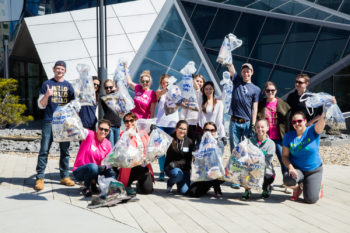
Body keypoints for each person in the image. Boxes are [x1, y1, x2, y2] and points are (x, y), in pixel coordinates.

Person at [35, 60, 75, 191]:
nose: (60, 71)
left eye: (62, 69)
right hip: (49, 121)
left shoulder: (69, 86)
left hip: (64, 123)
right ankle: (40, 178)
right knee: (44, 150)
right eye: (57, 68)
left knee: (65, 151)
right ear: (53, 69)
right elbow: (41, 105)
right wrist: (47, 95)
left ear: (65, 71)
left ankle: (64, 177)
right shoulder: (47, 84)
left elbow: (74, 104)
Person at [227, 63, 261, 189]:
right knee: (235, 151)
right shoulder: (236, 81)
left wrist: (253, 125)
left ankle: (244, 176)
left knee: (246, 151)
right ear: (241, 73)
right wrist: (228, 60)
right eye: (244, 71)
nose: (246, 73)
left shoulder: (256, 89)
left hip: (247, 123)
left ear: (252, 72)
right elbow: (230, 68)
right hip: (234, 122)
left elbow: (255, 108)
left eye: (248, 71)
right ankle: (235, 178)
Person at [282, 111, 325, 204]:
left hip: (314, 170)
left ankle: (318, 185)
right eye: (294, 122)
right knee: (288, 180)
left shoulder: (313, 130)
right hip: (298, 170)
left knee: (311, 200)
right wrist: (291, 168)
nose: (297, 124)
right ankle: (298, 188)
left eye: (299, 121)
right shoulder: (288, 136)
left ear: (305, 121)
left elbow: (321, 122)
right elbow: (284, 156)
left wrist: (327, 109)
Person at [73, 119, 116, 197]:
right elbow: (79, 129)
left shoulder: (108, 144)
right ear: (97, 128)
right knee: (93, 167)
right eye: (101, 128)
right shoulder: (90, 135)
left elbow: (110, 161)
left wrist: (105, 167)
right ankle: (86, 187)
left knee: (111, 173)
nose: (103, 131)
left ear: (109, 131)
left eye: (106, 130)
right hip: (80, 171)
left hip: (96, 170)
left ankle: (110, 191)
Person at [257, 81, 290, 178]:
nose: (270, 92)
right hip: (265, 138)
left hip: (278, 137)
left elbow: (289, 117)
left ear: (276, 91)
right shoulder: (261, 104)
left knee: (284, 159)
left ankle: (287, 180)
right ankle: (266, 180)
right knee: (264, 160)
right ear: (265, 91)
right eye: (268, 91)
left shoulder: (282, 104)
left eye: (272, 90)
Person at [118, 112, 154, 195]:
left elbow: (150, 148)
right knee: (125, 186)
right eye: (126, 121)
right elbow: (122, 150)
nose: (129, 123)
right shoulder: (123, 134)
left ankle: (140, 184)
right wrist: (128, 137)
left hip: (144, 166)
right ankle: (127, 183)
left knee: (147, 190)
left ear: (136, 121)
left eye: (131, 120)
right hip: (130, 167)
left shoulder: (143, 133)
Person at [241, 119, 276, 200]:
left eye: (262, 127)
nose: (260, 129)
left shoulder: (271, 144)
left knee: (268, 177)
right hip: (251, 167)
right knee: (241, 171)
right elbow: (244, 155)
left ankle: (266, 188)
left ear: (267, 128)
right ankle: (247, 190)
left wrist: (256, 160)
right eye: (258, 127)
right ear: (255, 129)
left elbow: (268, 160)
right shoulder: (249, 141)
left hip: (265, 169)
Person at [187, 122, 224, 198]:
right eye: (207, 130)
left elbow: (219, 161)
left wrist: (212, 148)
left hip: (214, 172)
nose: (209, 132)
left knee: (214, 168)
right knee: (192, 193)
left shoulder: (219, 144)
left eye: (212, 130)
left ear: (215, 132)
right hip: (202, 175)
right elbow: (195, 162)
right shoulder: (199, 144)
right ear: (203, 131)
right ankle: (207, 186)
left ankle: (217, 188)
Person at [155, 74, 179, 181]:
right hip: (161, 124)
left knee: (172, 150)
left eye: (168, 82)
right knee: (160, 150)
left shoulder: (176, 92)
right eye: (164, 82)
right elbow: (160, 93)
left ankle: (170, 169)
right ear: (161, 83)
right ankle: (161, 171)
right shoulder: (159, 92)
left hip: (172, 124)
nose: (166, 84)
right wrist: (167, 88)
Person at [164, 120, 195, 195]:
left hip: (185, 169)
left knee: (184, 191)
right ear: (176, 129)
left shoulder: (189, 142)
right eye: (180, 128)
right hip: (172, 168)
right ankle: (170, 183)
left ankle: (179, 183)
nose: (182, 131)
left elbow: (189, 159)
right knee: (178, 174)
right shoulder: (169, 139)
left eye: (185, 129)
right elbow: (159, 146)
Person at [181, 74, 205, 145]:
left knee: (199, 147)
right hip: (190, 124)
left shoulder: (205, 95)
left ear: (203, 83)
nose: (199, 83)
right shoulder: (187, 94)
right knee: (188, 147)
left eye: (201, 81)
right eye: (197, 81)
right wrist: (182, 123)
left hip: (201, 125)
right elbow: (183, 111)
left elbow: (197, 90)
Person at [100, 79, 122, 146]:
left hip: (117, 125)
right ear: (104, 88)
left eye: (110, 87)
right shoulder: (103, 97)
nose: (109, 89)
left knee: (117, 147)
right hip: (109, 125)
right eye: (106, 88)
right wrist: (115, 90)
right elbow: (110, 96)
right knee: (111, 146)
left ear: (113, 87)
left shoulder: (117, 96)